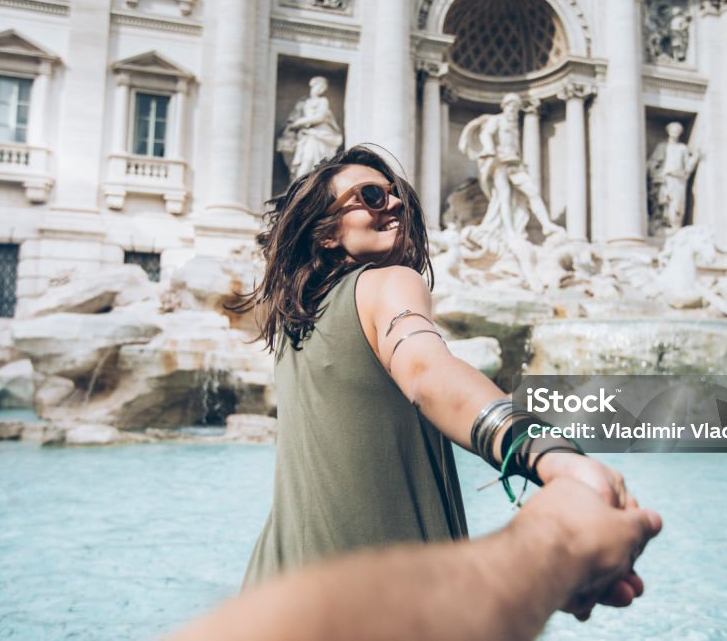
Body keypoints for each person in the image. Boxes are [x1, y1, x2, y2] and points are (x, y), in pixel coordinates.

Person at [233, 145, 640, 609]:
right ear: (325, 232)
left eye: (397, 193)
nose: (394, 204)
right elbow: (427, 371)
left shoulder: (290, 322)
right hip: (385, 603)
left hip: (274, 595)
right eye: (370, 195)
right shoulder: (390, 281)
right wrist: (547, 453)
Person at [168, 477, 662, 641]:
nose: (399, 226)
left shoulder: (298, 312)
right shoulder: (388, 284)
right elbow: (427, 370)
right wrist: (561, 541)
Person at [458, 93, 564, 245]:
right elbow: (486, 135)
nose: (514, 111)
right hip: (500, 163)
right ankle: (510, 232)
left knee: (532, 192)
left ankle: (546, 225)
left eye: (516, 108)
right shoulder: (497, 120)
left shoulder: (514, 125)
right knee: (504, 197)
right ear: (505, 106)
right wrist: (490, 150)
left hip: (514, 165)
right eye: (512, 106)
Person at [278, 76, 344, 180]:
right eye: (321, 87)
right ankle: (298, 186)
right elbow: (293, 119)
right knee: (304, 161)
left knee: (313, 161)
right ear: (314, 85)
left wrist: (300, 122)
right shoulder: (303, 102)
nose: (322, 90)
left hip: (320, 134)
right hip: (306, 135)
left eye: (324, 88)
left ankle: (308, 185)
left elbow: (320, 117)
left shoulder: (323, 100)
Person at [646, 121, 700, 235]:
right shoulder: (662, 147)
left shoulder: (683, 148)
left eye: (677, 130)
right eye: (673, 130)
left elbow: (688, 167)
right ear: (669, 131)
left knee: (677, 205)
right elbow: (653, 163)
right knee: (664, 203)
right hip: (665, 179)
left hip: (679, 179)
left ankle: (675, 226)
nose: (675, 132)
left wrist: (695, 157)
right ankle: (663, 225)